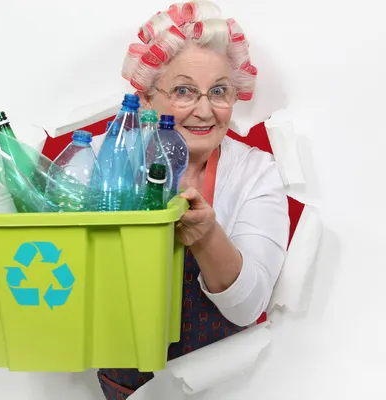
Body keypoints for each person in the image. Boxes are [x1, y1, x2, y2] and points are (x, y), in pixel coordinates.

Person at [94, 1, 290, 399]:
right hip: (128, 388)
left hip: (226, 384)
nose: (204, 110)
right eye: (184, 91)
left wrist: (206, 236)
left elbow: (247, 306)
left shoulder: (255, 172)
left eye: (218, 91)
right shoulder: (103, 158)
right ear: (147, 98)